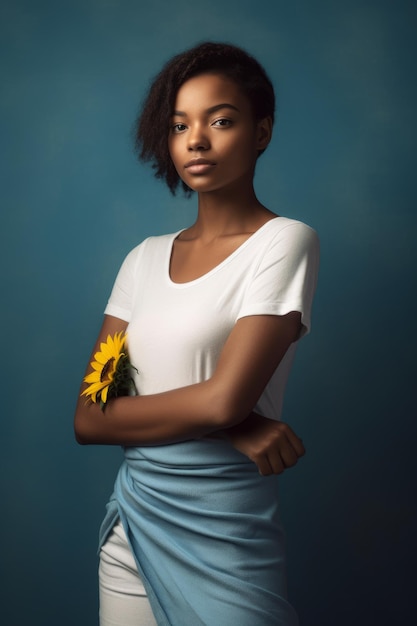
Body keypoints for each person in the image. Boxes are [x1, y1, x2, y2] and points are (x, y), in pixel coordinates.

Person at [74, 41, 319, 626]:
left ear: (261, 132)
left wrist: (225, 413)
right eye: (180, 125)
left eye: (221, 121)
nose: (197, 140)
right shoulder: (142, 259)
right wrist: (238, 424)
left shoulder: (284, 243)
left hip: (226, 531)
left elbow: (222, 399)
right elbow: (89, 416)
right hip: (133, 529)